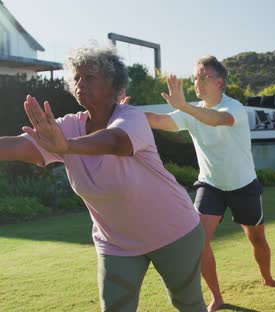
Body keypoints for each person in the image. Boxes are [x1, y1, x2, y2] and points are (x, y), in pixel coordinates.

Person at [1, 45, 206, 312]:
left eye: (90, 77)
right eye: (77, 77)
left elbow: (114, 142)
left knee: (189, 305)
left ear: (113, 85)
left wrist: (66, 147)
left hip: (173, 231)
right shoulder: (66, 127)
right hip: (116, 243)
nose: (80, 83)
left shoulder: (131, 117)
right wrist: (63, 143)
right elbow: (19, 146)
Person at [145, 55, 275, 312]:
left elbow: (217, 119)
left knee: (257, 238)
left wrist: (184, 107)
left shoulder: (233, 108)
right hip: (210, 185)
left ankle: (268, 278)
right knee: (198, 240)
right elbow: (159, 121)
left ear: (220, 82)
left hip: (243, 185)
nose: (197, 83)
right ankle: (217, 297)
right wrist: (121, 112)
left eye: (203, 77)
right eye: (195, 78)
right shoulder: (190, 111)